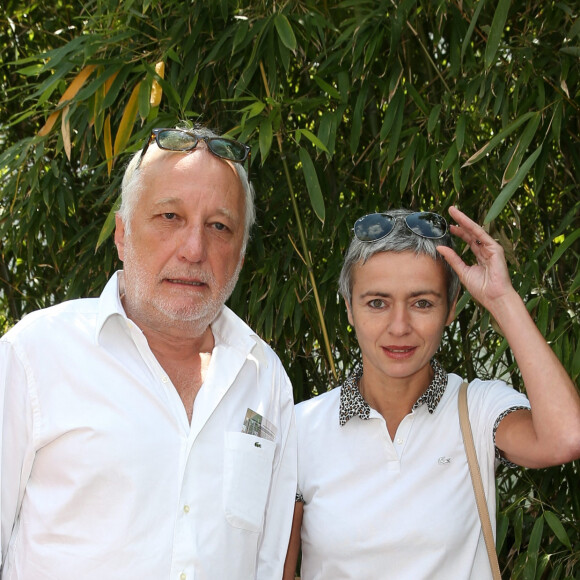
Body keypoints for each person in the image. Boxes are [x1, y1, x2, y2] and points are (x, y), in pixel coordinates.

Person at [1, 125, 297, 580]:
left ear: (240, 254)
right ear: (121, 235)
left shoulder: (264, 378)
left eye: (219, 226)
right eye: (169, 217)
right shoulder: (35, 355)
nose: (194, 249)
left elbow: (268, 564)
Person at [283, 206, 580, 580]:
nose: (399, 327)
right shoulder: (299, 428)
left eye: (422, 303)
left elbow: (567, 437)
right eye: (377, 303)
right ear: (349, 309)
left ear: (451, 308)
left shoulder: (477, 410)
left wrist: (502, 300)